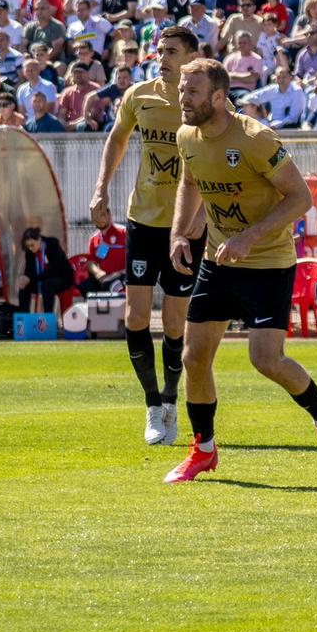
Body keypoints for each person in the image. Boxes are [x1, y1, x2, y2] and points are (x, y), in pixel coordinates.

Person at [163, 61, 317, 483]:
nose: (182, 99)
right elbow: (189, 183)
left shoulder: (255, 138)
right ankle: (204, 450)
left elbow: (300, 198)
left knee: (266, 359)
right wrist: (179, 233)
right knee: (194, 357)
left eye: (192, 92)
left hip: (267, 263)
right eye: (181, 90)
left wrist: (250, 236)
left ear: (217, 97)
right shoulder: (186, 135)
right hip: (217, 261)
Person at [88, 23, 198, 446]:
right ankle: (153, 405)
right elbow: (116, 141)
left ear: (192, 56)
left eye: (171, 51)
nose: (162, 57)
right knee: (135, 316)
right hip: (142, 219)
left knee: (174, 322)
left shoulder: (204, 101)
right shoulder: (139, 95)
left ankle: (171, 399)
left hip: (185, 228)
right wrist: (101, 189)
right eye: (160, 50)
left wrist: (204, 215)